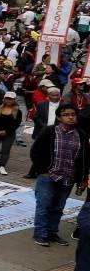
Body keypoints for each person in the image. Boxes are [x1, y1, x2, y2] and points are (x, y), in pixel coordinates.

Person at [30, 104, 87, 247]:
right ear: (59, 118)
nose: (71, 117)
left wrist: (82, 178)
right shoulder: (50, 131)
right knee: (44, 205)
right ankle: (40, 234)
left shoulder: (81, 134)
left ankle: (52, 232)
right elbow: (35, 151)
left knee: (58, 207)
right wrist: (42, 170)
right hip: (48, 176)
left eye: (73, 114)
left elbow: (84, 158)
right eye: (66, 114)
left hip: (68, 178)